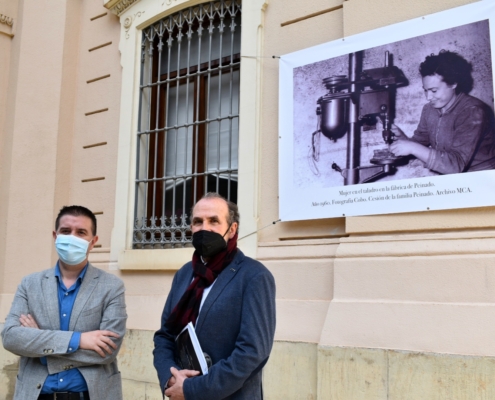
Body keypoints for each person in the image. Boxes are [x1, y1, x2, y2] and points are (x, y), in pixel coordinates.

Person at [153, 193, 276, 400]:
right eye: (197, 221)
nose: (204, 228)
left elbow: (252, 353)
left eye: (214, 221)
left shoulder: (254, 276)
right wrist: (170, 377)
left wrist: (194, 389)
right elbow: (165, 335)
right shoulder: (184, 275)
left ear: (232, 229)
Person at [2, 205, 127, 400]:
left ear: (93, 242)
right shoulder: (30, 284)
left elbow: (107, 351)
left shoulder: (112, 287)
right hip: (35, 394)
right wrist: (78, 340)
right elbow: (11, 338)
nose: (72, 238)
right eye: (66, 231)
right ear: (55, 236)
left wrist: (40, 347)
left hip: (89, 395)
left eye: (81, 232)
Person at [390, 50, 495, 174]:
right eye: (425, 90)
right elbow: (420, 143)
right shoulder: (429, 109)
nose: (428, 97)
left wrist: (412, 147)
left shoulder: (472, 112)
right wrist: (402, 138)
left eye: (434, 91)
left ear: (453, 84)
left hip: (480, 176)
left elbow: (456, 165)